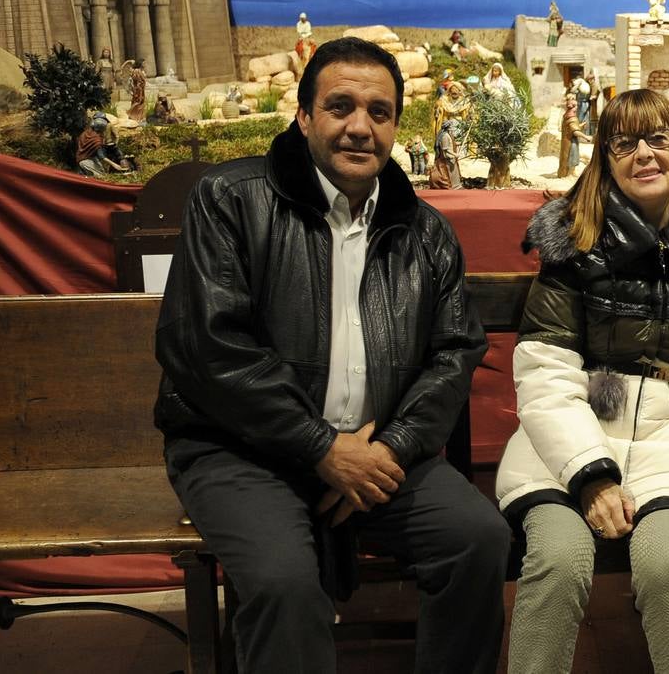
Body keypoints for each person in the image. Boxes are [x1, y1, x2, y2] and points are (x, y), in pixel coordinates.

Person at [153, 36, 508, 674]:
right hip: (243, 450)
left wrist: (390, 448)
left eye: (379, 111)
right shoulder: (230, 200)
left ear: (398, 125)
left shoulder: (425, 231)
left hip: (378, 448)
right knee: (285, 587)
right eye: (340, 106)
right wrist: (321, 448)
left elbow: (454, 354)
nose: (359, 127)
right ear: (304, 115)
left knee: (478, 542)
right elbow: (207, 349)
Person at [497, 88, 669, 673]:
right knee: (556, 558)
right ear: (604, 157)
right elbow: (546, 373)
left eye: (658, 138)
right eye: (624, 143)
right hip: (567, 443)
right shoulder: (575, 238)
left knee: (664, 564)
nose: (644, 155)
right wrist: (590, 476)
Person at [430, 117, 464, 190]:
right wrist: (455, 154)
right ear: (448, 127)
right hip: (447, 159)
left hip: (451, 158)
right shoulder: (445, 136)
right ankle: (451, 186)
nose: (453, 128)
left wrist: (458, 143)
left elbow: (451, 143)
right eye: (451, 126)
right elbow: (446, 149)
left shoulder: (448, 134)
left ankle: (456, 186)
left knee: (455, 173)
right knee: (449, 174)